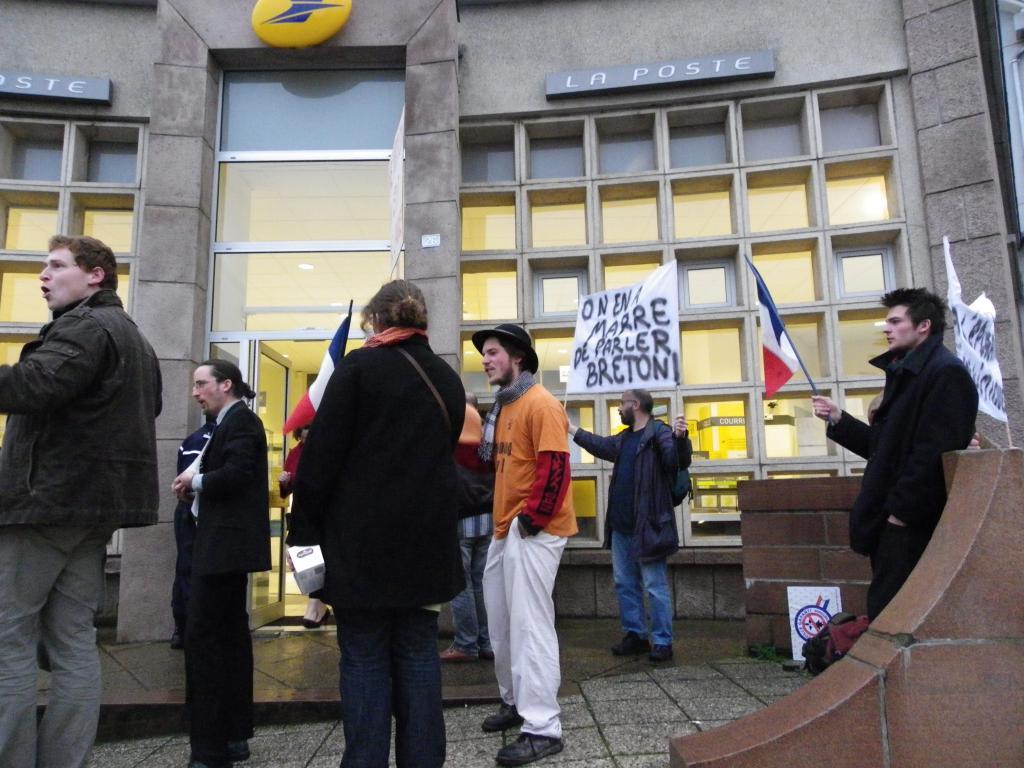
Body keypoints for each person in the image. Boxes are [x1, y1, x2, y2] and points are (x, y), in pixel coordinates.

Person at [287, 280, 466, 768]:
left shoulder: (358, 369)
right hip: (426, 546)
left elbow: (319, 462)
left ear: (377, 320)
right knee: (419, 655)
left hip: (361, 549)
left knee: (364, 657)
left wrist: (302, 534)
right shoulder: (447, 379)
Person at [0, 234, 162, 768]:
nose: (43, 276)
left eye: (56, 266)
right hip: (91, 513)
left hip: (46, 506)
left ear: (96, 275)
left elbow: (34, 385)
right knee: (72, 641)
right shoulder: (135, 339)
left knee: (8, 639)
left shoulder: (86, 326)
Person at [811, 288, 977, 621]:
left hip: (910, 525)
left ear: (923, 326)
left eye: (896, 321)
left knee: (893, 614)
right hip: (893, 522)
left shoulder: (944, 372)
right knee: (887, 611)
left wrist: (899, 515)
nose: (887, 328)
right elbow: (884, 449)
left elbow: (933, 453)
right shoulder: (908, 373)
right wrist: (839, 419)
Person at [471, 323, 575, 767]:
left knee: (530, 626)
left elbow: (557, 468)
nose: (485, 359)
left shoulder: (541, 403)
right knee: (502, 623)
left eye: (493, 352)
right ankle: (515, 701)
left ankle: (543, 727)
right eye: (484, 353)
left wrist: (530, 522)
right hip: (505, 529)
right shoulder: (504, 407)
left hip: (533, 530)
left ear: (517, 357)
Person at [172, 360, 271, 768]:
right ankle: (231, 735)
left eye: (201, 383)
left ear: (226, 384)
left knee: (207, 643)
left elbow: (239, 473)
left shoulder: (241, 422)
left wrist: (195, 482)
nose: (195, 392)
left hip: (221, 551)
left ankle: (211, 748)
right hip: (222, 550)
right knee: (227, 640)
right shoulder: (228, 423)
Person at [569, 389, 691, 662]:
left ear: (634, 405)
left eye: (622, 403)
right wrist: (571, 428)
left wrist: (681, 439)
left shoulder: (660, 433)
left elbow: (677, 461)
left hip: (649, 526)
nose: (618, 408)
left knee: (654, 586)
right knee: (625, 583)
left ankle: (662, 642)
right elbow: (599, 445)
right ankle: (636, 635)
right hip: (621, 527)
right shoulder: (624, 439)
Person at [441, 392, 495, 663]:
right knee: (482, 584)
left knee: (461, 585)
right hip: (486, 519)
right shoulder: (487, 440)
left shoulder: (454, 440)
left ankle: (466, 643)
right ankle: (487, 642)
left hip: (461, 519)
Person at [278, 426, 330, 629]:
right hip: (301, 511)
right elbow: (287, 489)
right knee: (304, 557)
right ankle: (318, 604)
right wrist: (284, 483)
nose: (306, 440)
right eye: (303, 437)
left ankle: (315, 604)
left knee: (322, 555)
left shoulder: (326, 450)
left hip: (324, 511)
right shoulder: (295, 454)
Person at [171, 418, 215, 650]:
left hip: (190, 511)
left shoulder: (193, 440)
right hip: (197, 512)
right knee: (191, 569)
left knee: (186, 567)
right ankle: (189, 626)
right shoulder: (203, 440)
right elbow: (188, 488)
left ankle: (184, 626)